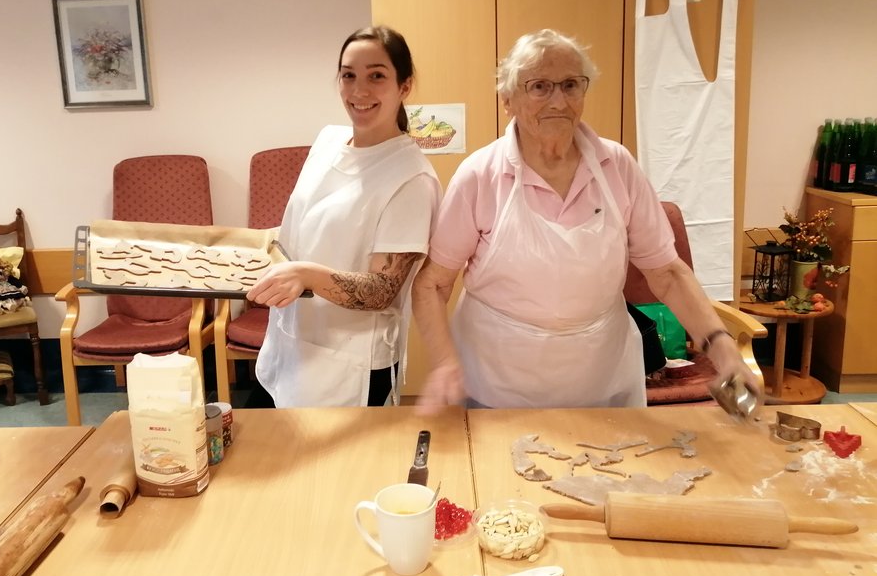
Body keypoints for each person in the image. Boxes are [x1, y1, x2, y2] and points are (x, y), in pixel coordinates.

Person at [412, 28, 761, 411]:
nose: (558, 100)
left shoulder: (618, 166)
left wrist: (720, 345)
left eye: (570, 85)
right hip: (498, 381)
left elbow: (667, 273)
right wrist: (445, 361)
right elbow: (432, 285)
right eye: (539, 86)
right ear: (507, 99)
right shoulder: (480, 175)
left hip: (601, 376)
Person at [247, 25, 442, 408]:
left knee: (337, 467)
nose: (359, 91)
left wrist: (305, 275)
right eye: (348, 75)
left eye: (377, 76)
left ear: (405, 87)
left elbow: (381, 291)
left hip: (350, 364)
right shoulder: (328, 141)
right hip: (289, 341)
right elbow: (311, 221)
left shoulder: (411, 178)